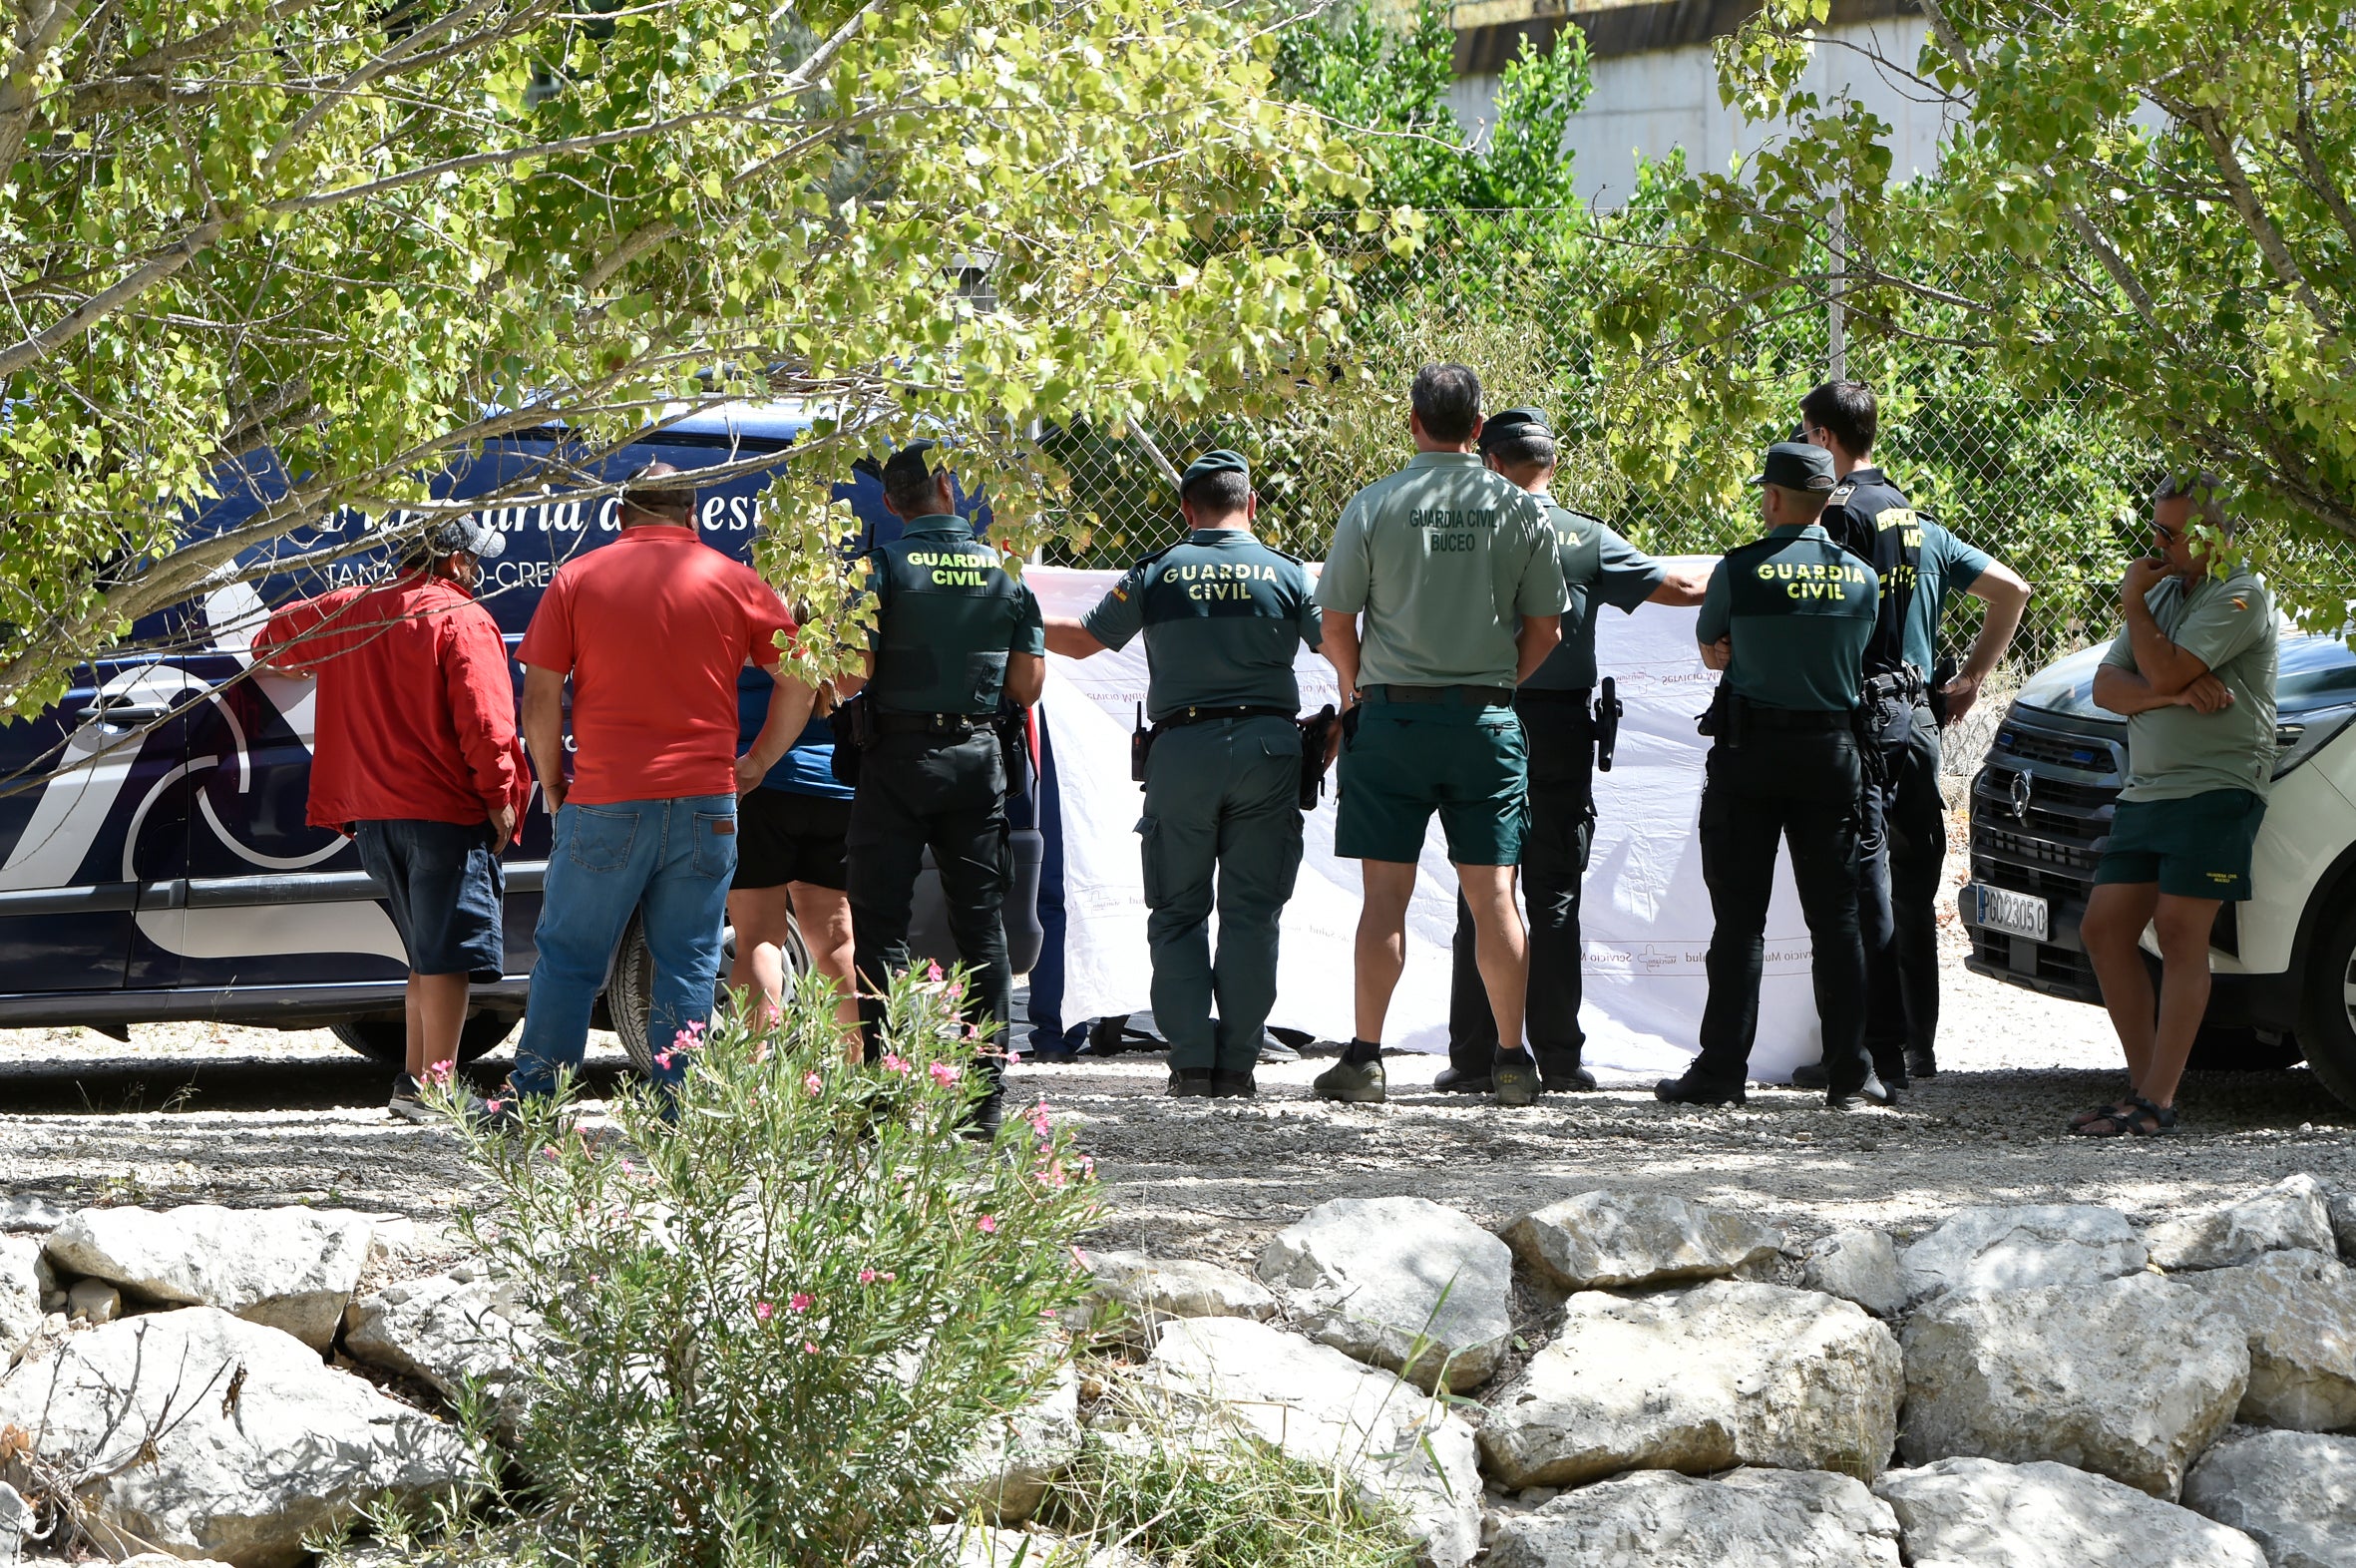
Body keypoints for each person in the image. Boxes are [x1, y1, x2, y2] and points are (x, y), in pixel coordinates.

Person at [509, 462, 811, 1105]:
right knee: (689, 961)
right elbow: (801, 680)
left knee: (569, 959)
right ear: (692, 514)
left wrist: (552, 781)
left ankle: (534, 1106)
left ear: (623, 515)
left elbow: (539, 698)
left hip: (606, 796)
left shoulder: (578, 578)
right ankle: (682, 1114)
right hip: (707, 801)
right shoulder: (736, 581)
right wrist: (755, 764)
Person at [1311, 364, 1569, 1107]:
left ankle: (1363, 1061)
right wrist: (1496, 686)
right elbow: (1546, 629)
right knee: (1496, 897)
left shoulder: (1373, 505)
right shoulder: (1520, 510)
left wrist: (1359, 691)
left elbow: (1335, 624)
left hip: (1391, 719)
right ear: (1479, 428)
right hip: (1483, 721)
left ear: (1412, 420)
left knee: (1384, 896)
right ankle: (1514, 1060)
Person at [1438, 408, 1710, 1095]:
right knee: (1553, 893)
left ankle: (1473, 1059)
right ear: (1552, 466)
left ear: (1489, 463)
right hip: (1560, 730)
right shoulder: (1585, 538)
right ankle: (1557, 1057)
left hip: (1478, 720)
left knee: (1483, 890)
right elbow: (1680, 589)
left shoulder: (1462, 534)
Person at [1042, 449, 1321, 1098]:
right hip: (1270, 752)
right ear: (1251, 505)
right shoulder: (1288, 575)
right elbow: (1337, 641)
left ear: (1185, 510)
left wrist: (1006, 614)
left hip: (1182, 755)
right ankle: (1238, 1066)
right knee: (1253, 914)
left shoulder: (1159, 573)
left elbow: (1083, 641)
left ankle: (1193, 1064)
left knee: (1177, 914)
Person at [1796, 381, 2032, 1088]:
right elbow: (2012, 591)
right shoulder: (1919, 521)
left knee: (1860, 886)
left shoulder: (1840, 519)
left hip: (1863, 718)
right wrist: (1972, 678)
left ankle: (1871, 1051)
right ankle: (1919, 1048)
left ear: (1826, 439)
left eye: (1807, 435)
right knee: (1911, 893)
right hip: (1922, 720)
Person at [254, 517, 530, 1123]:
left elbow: (269, 642)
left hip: (372, 815)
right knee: (447, 957)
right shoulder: (460, 618)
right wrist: (500, 797)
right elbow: (487, 726)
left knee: (426, 954)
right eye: (475, 563)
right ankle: (440, 1092)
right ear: (456, 563)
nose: (479, 574)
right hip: (442, 812)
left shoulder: (355, 610)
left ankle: (414, 1085)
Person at [1658, 441, 1892, 1110]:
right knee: (1838, 921)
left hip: (1750, 755)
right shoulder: (1860, 577)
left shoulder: (1740, 569)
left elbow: (1712, 647)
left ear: (1774, 498)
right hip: (1833, 756)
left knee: (1739, 923)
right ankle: (1852, 1073)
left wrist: (1733, 648)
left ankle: (1722, 1071)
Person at [845, 440, 1045, 1133]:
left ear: (894, 504)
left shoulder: (882, 568)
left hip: (896, 761)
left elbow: (852, 674)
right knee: (980, 929)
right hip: (975, 761)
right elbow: (1028, 685)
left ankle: (887, 1095)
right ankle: (982, 1105)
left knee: (880, 928)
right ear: (950, 489)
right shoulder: (1006, 570)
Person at [2075, 472, 2278, 1137]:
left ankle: (2158, 1101)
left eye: (2170, 532)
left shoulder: (2241, 592)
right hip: (2149, 788)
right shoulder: (2163, 593)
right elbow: (2107, 687)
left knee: (2180, 929)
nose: (2155, 543)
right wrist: (2173, 692)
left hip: (2216, 785)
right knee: (2104, 929)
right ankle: (2143, 1090)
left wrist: (2135, 607)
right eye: (2154, 527)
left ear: (2214, 533)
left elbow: (2155, 669)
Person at [728, 664, 860, 1057]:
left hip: (758, 782)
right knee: (838, 940)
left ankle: (748, 1085)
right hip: (836, 784)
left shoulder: (751, 609)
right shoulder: (840, 609)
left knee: (757, 939)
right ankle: (856, 1081)